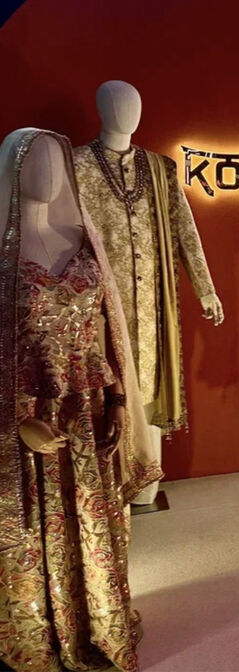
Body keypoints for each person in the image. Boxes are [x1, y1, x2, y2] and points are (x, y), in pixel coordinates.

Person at [0, 128, 161, 672]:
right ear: (12, 167)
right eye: (35, 161)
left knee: (92, 515)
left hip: (87, 409)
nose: (49, 175)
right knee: (35, 523)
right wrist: (18, 422)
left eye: (57, 162)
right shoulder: (1, 247)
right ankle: (43, 629)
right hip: (25, 414)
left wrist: (117, 399)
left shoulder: (81, 237)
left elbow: (103, 330)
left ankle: (99, 620)